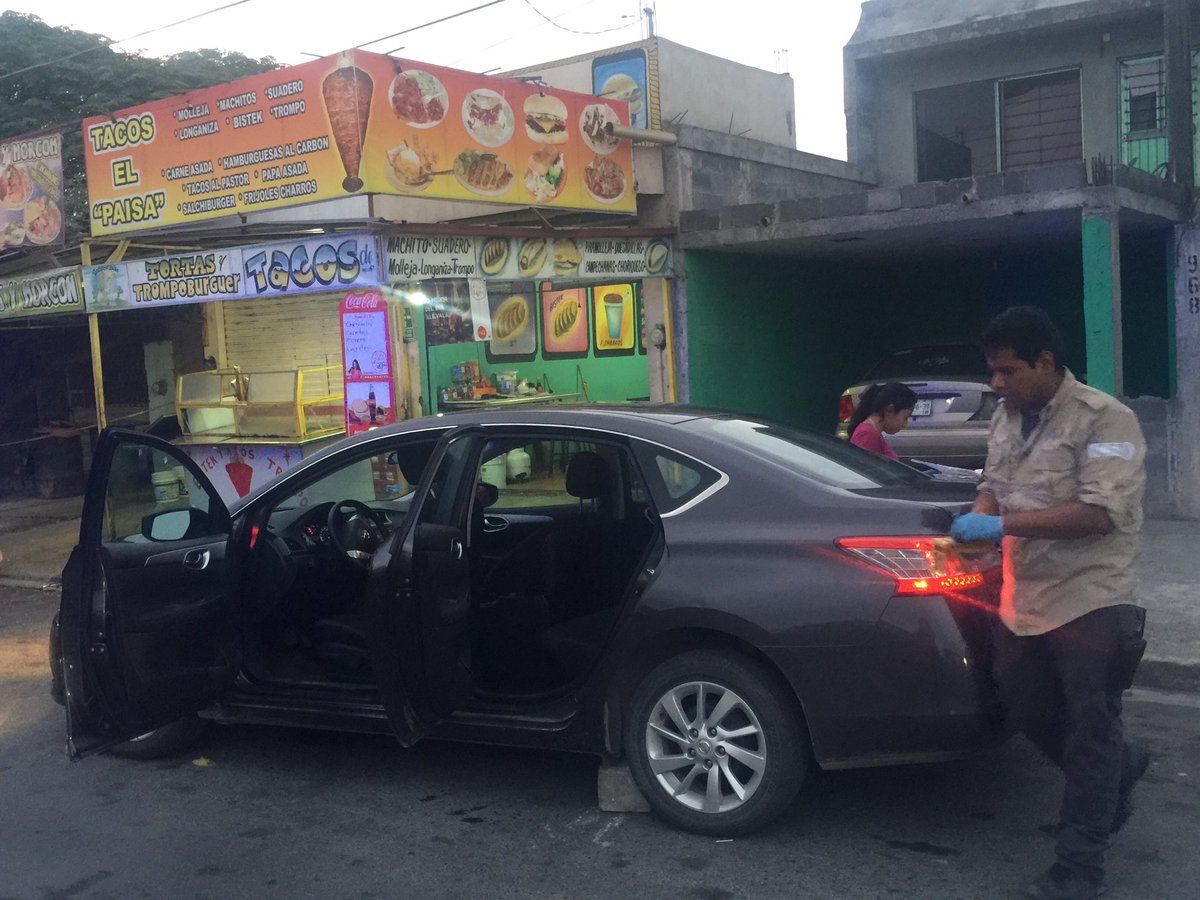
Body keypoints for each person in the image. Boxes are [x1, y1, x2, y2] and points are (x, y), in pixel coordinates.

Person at [950, 306, 1149, 900]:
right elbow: (992, 483)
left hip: (1093, 596)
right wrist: (978, 521)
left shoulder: (1108, 420)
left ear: (1046, 362)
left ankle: (1080, 868)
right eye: (992, 372)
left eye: (1007, 371)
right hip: (1024, 596)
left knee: (1091, 729)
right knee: (1027, 711)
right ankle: (1123, 767)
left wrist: (1000, 526)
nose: (997, 384)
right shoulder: (1009, 418)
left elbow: (1096, 514)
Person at [846, 381, 918, 460]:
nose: (905, 424)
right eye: (905, 418)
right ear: (889, 410)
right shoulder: (867, 435)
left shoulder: (872, 432)